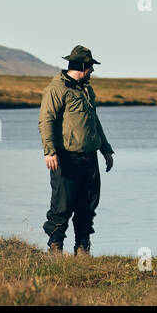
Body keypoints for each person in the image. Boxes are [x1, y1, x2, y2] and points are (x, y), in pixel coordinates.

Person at [38, 44, 115, 254]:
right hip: (65, 158)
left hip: (89, 159)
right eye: (90, 66)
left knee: (87, 205)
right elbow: (46, 121)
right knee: (62, 206)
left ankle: (82, 248)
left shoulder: (87, 90)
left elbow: (95, 122)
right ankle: (55, 248)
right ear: (81, 65)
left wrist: (106, 150)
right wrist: (49, 151)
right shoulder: (56, 89)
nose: (92, 70)